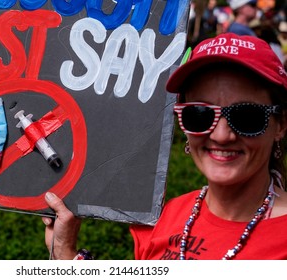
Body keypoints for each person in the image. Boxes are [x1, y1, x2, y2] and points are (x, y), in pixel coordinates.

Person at [41, 32, 287, 260]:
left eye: (247, 117)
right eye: (199, 114)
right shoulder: (163, 218)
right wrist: (64, 251)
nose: (222, 136)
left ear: (281, 125)